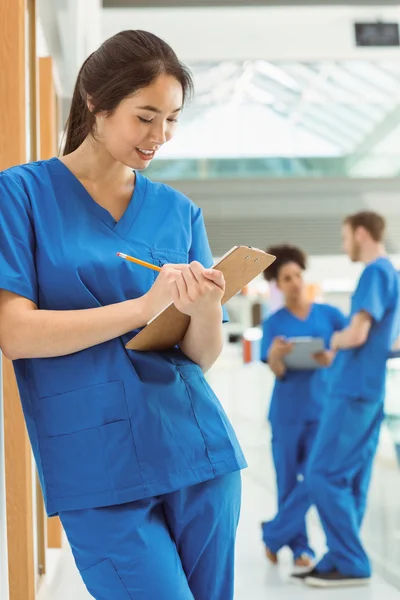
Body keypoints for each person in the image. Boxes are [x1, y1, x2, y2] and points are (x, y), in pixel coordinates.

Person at [0, 30, 246, 600]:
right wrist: (141, 307)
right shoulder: (21, 196)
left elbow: (200, 357)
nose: (160, 136)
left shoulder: (179, 211)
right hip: (95, 465)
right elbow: (15, 333)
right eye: (145, 117)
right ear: (94, 102)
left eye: (173, 120)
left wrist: (204, 309)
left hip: (198, 449)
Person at [296, 211, 400, 588]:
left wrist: (333, 341)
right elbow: (390, 342)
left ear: (360, 233)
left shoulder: (375, 272)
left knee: (323, 474)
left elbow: (356, 334)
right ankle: (342, 557)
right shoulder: (395, 277)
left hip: (353, 389)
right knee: (351, 478)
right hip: (370, 391)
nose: (344, 246)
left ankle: (351, 560)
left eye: (345, 238)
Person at [260, 245, 346, 568]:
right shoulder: (274, 323)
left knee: (315, 477)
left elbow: (350, 349)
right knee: (286, 481)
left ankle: (273, 533)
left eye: (298, 275)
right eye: (287, 278)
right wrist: (278, 356)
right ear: (277, 286)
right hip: (285, 414)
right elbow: (277, 371)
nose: (295, 282)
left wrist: (332, 358)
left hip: (320, 412)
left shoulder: (329, 315)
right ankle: (300, 548)